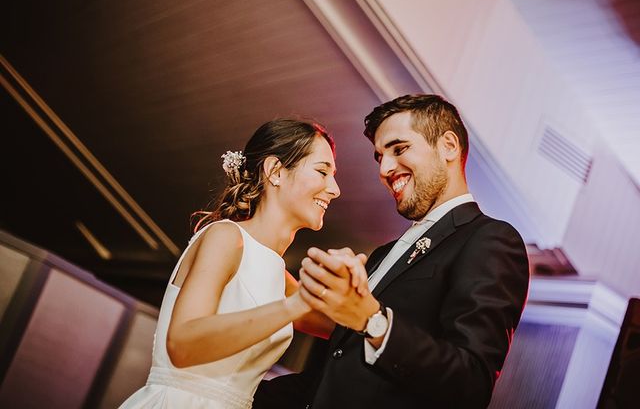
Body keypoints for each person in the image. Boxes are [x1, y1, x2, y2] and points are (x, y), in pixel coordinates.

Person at [255, 95, 530, 409]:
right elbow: (335, 374)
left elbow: (470, 383)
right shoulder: (381, 255)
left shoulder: (489, 239)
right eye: (379, 157)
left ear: (449, 146)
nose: (384, 168)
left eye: (399, 149)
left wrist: (373, 320)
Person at [119, 119, 368, 409]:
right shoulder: (225, 237)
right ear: (275, 171)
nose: (335, 189)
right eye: (322, 171)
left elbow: (350, 331)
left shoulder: (281, 279)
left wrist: (353, 287)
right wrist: (296, 304)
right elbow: (182, 344)